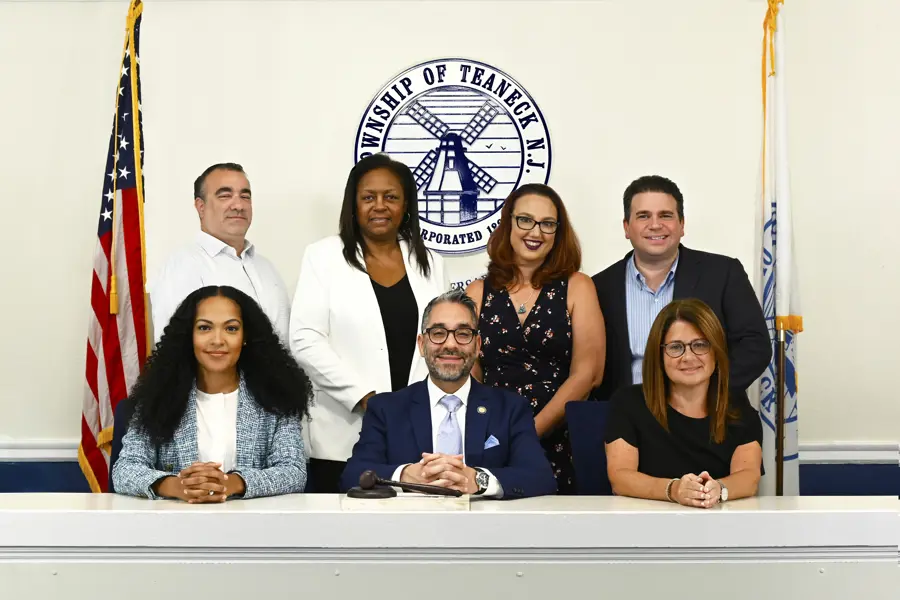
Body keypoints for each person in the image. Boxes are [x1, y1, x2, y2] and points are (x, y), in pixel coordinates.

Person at [289, 153, 447, 493]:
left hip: (417, 434)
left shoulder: (429, 261)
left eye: (390, 197)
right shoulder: (323, 256)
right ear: (353, 204)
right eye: (368, 197)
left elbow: (440, 339)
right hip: (341, 436)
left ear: (406, 205)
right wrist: (366, 398)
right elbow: (304, 339)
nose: (380, 206)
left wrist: (412, 408)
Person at [340, 291, 557, 499]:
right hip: (408, 532)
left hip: (486, 532)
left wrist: (478, 480)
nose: (451, 344)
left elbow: (541, 477)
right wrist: (407, 477)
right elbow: (352, 475)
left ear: (477, 345)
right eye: (438, 333)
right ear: (422, 344)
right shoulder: (386, 409)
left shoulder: (510, 408)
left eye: (463, 334)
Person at [466, 183, 605, 494]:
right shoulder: (477, 292)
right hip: (493, 440)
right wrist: (495, 436)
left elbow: (588, 374)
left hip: (564, 437)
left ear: (558, 232)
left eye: (547, 224)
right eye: (525, 220)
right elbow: (470, 376)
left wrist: (529, 432)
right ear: (508, 223)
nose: (536, 232)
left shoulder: (577, 286)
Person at [112, 285, 310, 501]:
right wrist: (179, 486)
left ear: (246, 336)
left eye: (231, 329)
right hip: (174, 526)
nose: (217, 340)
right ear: (189, 336)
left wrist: (232, 483)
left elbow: (293, 472)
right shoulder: (157, 396)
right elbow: (125, 470)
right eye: (205, 328)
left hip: (253, 529)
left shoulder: (277, 399)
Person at [592, 175, 770, 403]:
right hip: (627, 421)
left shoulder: (723, 273)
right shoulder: (599, 287)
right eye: (643, 216)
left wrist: (704, 398)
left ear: (682, 225)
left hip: (708, 418)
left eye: (665, 215)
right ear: (627, 227)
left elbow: (755, 345)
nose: (655, 224)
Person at [604, 298, 763, 508]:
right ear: (659, 355)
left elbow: (749, 477)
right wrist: (675, 489)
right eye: (676, 347)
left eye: (700, 345)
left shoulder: (738, 408)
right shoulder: (628, 403)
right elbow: (620, 477)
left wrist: (719, 489)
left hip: (717, 526)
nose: (688, 357)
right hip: (645, 526)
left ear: (716, 351)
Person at [149, 163, 291, 345]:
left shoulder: (266, 267)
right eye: (225, 195)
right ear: (201, 207)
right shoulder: (183, 266)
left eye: (245, 196)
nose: (238, 205)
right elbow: (174, 349)